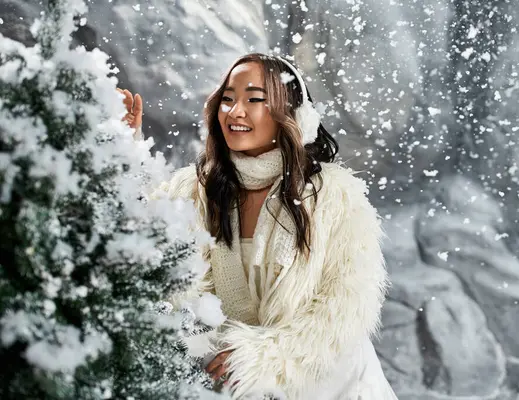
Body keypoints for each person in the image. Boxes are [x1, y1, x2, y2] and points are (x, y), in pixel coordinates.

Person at [120, 53, 397, 400]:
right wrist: (123, 150)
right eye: (227, 99)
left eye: (254, 99)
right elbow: (144, 238)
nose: (235, 112)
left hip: (327, 380)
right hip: (227, 380)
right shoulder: (195, 189)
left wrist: (266, 357)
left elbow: (343, 311)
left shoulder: (334, 196)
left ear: (291, 114)